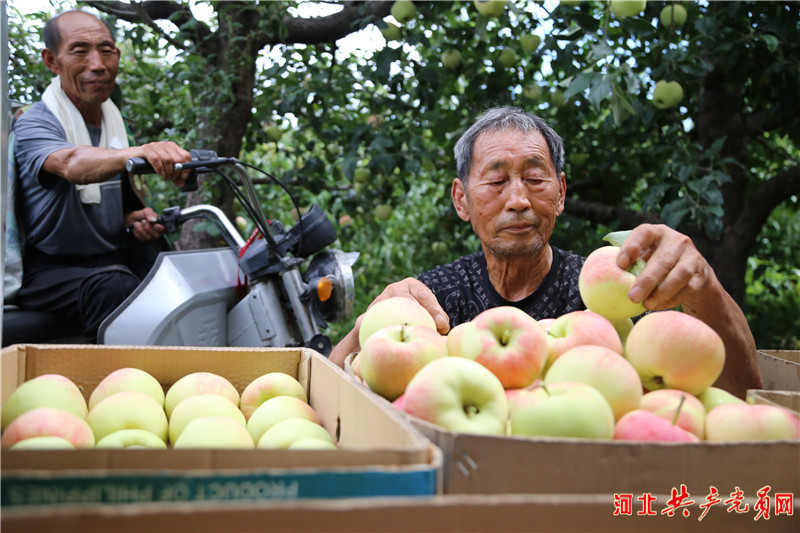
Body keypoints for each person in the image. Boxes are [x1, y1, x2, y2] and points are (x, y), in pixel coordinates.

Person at [330, 106, 763, 398]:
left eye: (535, 179)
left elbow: (741, 395)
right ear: (462, 200)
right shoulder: (430, 301)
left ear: (560, 194)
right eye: (497, 182)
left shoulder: (615, 295)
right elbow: (332, 396)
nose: (517, 199)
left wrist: (704, 289)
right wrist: (369, 324)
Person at [9, 10, 192, 343]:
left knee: (184, 279)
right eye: (80, 51)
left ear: (117, 56)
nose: (98, 63)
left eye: (106, 50)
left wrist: (133, 220)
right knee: (115, 287)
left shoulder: (113, 123)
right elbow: (72, 164)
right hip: (49, 270)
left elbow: (112, 202)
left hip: (108, 259)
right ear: (52, 60)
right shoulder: (36, 123)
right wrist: (142, 152)